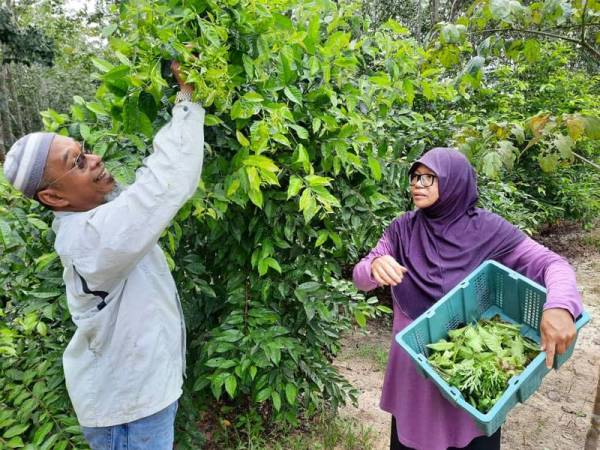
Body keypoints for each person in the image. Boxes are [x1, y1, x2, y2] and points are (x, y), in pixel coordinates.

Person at [2, 62, 204, 450]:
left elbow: (149, 186)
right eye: (76, 163)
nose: (93, 159)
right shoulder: (91, 239)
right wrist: (188, 99)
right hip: (127, 413)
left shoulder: (97, 218)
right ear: (54, 197)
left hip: (140, 401)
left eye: (84, 152)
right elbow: (164, 185)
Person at [352, 148, 583, 450]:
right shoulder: (402, 229)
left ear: (454, 182)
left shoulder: (488, 230)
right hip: (416, 370)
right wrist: (373, 266)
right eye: (415, 176)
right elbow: (360, 277)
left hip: (468, 366)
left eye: (429, 177)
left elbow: (553, 265)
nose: (417, 184)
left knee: (471, 436)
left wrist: (560, 306)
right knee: (413, 440)